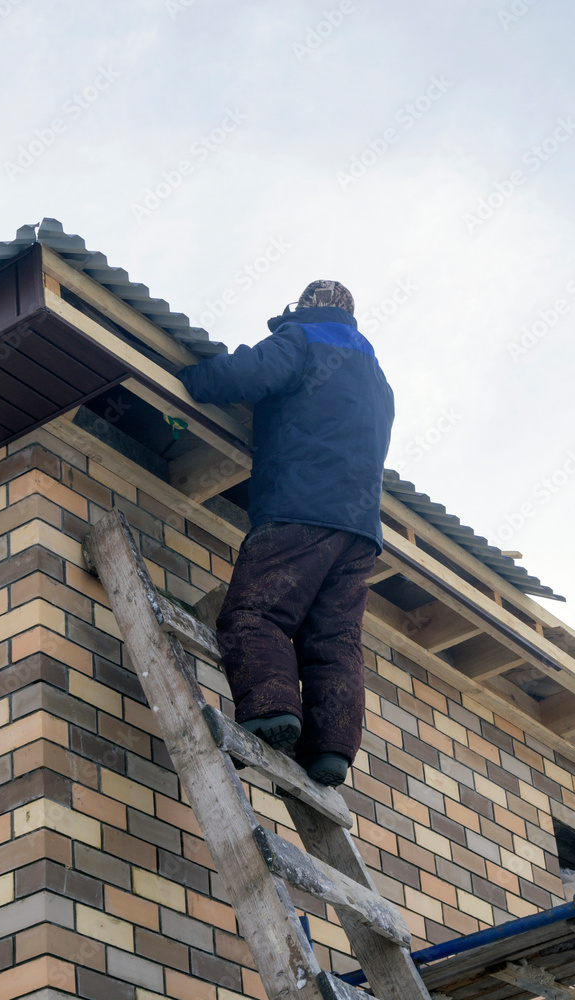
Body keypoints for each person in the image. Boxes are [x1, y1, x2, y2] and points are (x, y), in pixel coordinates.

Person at [177, 279, 394, 785]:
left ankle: (273, 709)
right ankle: (331, 751)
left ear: (307, 305)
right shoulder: (378, 378)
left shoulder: (303, 339)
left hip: (301, 508)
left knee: (256, 613)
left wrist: (192, 376)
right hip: (360, 532)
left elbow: (245, 374)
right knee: (334, 641)